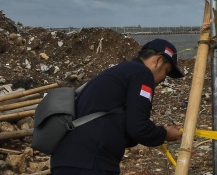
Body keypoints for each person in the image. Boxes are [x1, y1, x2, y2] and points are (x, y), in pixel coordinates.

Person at [51, 39, 185, 174]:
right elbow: (139, 128)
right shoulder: (142, 74)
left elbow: (123, 129)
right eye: (166, 72)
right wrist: (165, 134)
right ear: (158, 61)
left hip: (65, 160)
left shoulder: (120, 72)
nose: (163, 79)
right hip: (91, 163)